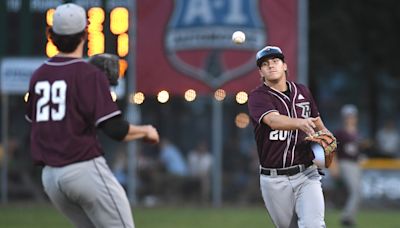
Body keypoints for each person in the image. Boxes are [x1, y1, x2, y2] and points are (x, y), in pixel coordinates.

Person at [25, 3, 159, 228]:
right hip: (83, 170)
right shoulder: (88, 74)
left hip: (51, 179)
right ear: (85, 35)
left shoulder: (39, 75)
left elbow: (37, 121)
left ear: (51, 36)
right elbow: (114, 129)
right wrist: (146, 131)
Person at [248, 45, 332, 227]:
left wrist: (326, 137)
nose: (271, 65)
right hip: (274, 179)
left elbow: (317, 123)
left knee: (314, 225)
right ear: (260, 72)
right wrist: (299, 122)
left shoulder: (302, 91)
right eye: (265, 64)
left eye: (276, 61)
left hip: (306, 173)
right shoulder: (258, 97)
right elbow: (273, 120)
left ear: (285, 66)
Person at [333, 104, 365, 227]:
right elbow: (333, 150)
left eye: (352, 116)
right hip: (345, 163)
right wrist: (334, 166)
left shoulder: (357, 133)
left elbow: (357, 150)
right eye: (348, 116)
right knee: (356, 190)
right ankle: (346, 217)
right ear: (344, 118)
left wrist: (361, 155)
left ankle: (349, 217)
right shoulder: (340, 133)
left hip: (355, 164)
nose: (351, 118)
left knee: (357, 191)